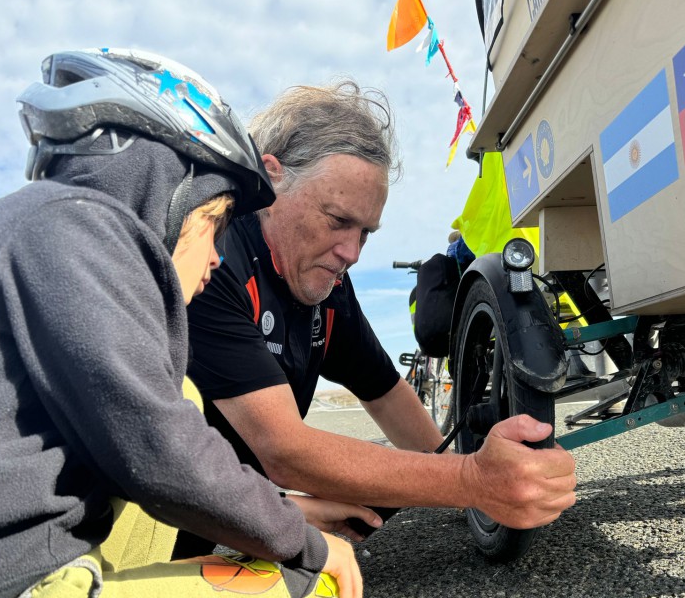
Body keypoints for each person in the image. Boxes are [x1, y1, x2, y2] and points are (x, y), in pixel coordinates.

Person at [0, 49, 370, 598]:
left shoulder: (31, 227)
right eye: (216, 222)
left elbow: (141, 434)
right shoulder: (80, 229)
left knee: (184, 400)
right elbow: (156, 450)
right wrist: (310, 545)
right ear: (165, 188)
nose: (211, 260)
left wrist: (277, 513)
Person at [180, 81, 577, 555]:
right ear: (272, 178)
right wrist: (471, 480)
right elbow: (284, 450)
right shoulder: (213, 259)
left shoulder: (329, 286)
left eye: (365, 232)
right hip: (138, 528)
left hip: (218, 504)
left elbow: (385, 393)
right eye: (337, 220)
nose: (351, 253)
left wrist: (462, 493)